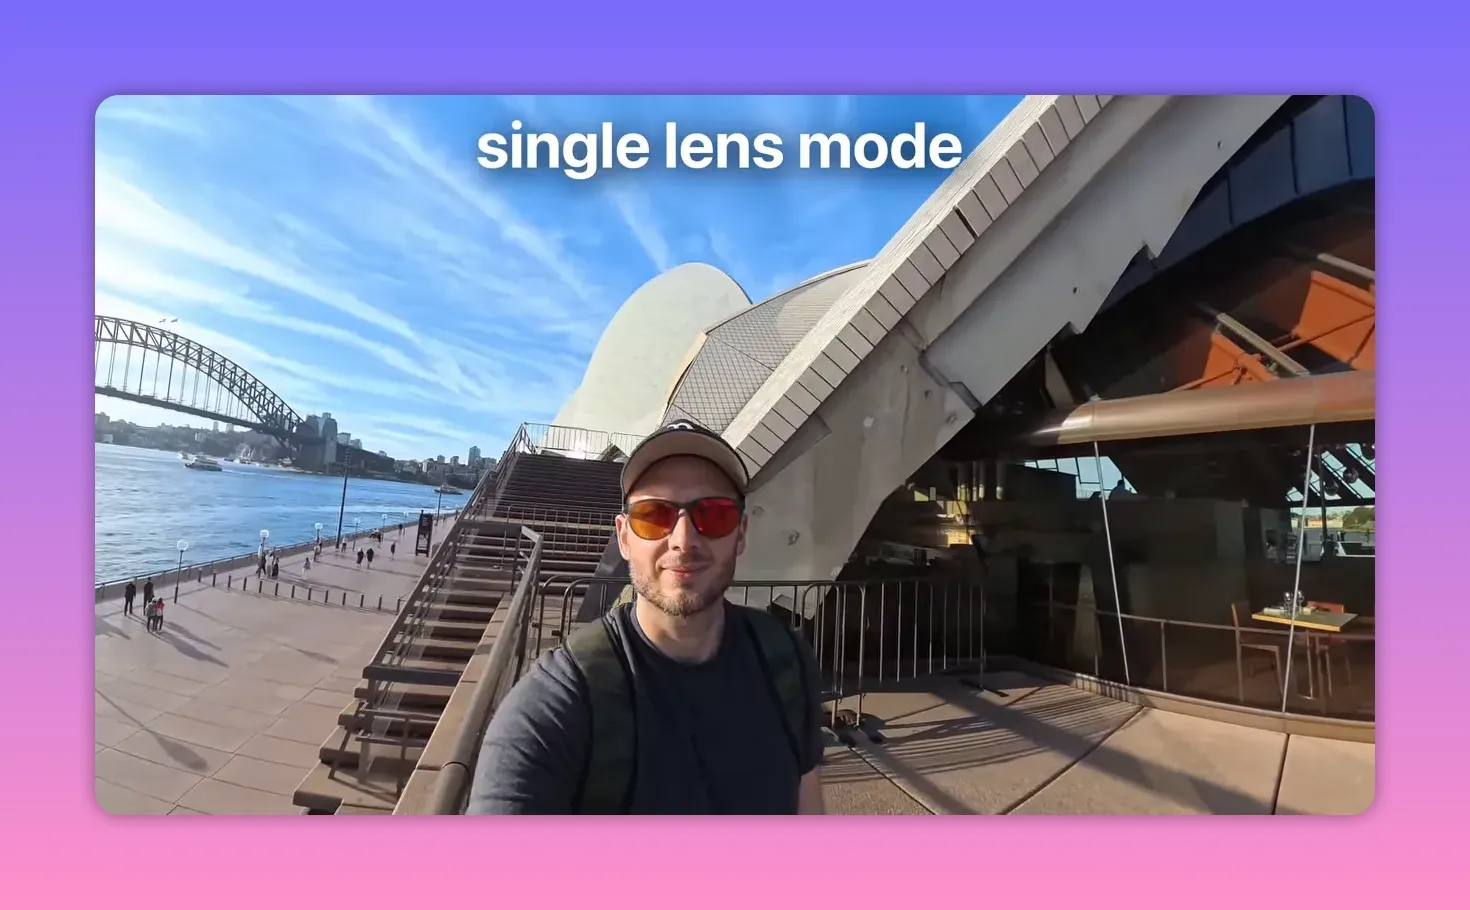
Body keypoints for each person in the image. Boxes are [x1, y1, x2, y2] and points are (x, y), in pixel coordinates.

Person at [467, 420, 825, 815]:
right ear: (623, 537)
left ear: (740, 534)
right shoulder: (556, 707)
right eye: (654, 515)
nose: (683, 540)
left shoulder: (785, 661)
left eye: (715, 515)